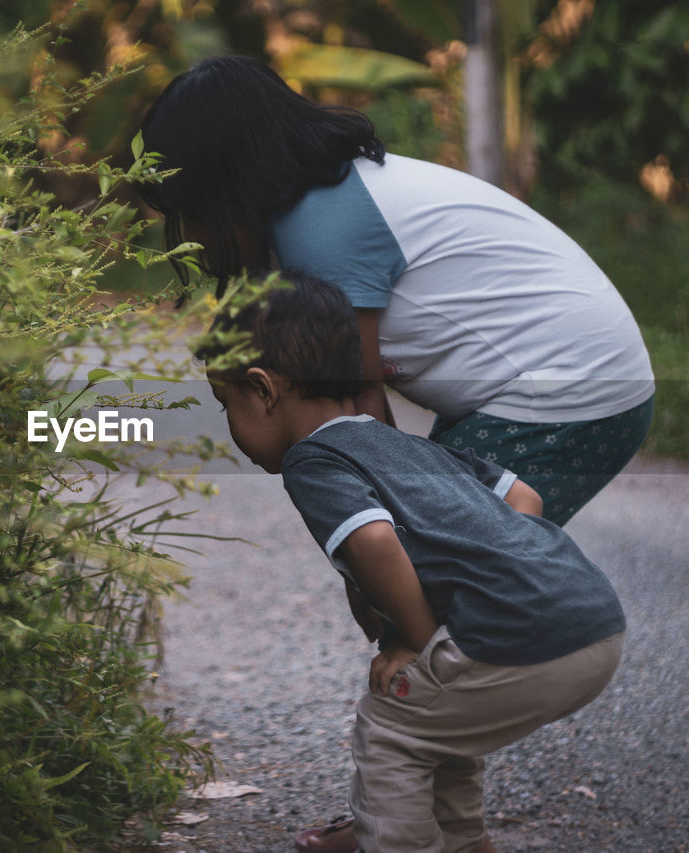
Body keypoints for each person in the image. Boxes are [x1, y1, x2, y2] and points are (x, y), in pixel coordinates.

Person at [196, 274, 625, 853]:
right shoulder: (412, 446)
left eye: (227, 405)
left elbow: (373, 543)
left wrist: (420, 646)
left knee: (391, 728)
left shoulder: (314, 459)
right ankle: (464, 842)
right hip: (592, 618)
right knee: (434, 720)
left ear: (264, 389)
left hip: (527, 637)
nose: (229, 426)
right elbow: (525, 497)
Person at [138, 54, 655, 528]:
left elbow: (358, 408)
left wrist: (376, 534)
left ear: (223, 184)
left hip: (569, 388)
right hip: (564, 376)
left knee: (443, 564)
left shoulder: (321, 231)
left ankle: (572, 629)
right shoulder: (322, 198)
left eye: (190, 212)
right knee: (442, 565)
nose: (190, 237)